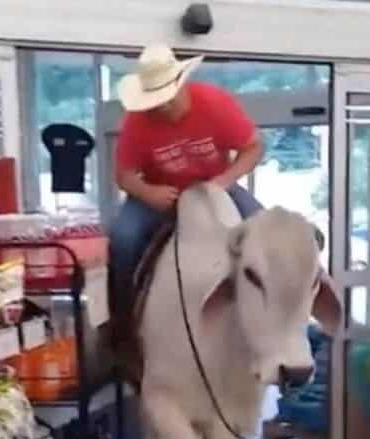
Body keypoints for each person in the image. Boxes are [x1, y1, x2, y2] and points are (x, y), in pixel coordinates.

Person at [109, 44, 264, 316]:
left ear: (181, 83)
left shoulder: (215, 103)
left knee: (264, 230)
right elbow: (124, 175)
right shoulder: (136, 122)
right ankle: (122, 322)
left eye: (168, 96)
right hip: (160, 195)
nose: (164, 106)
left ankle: (269, 314)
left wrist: (224, 182)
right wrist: (147, 192)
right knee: (123, 239)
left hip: (215, 187)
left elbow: (253, 147)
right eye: (156, 101)